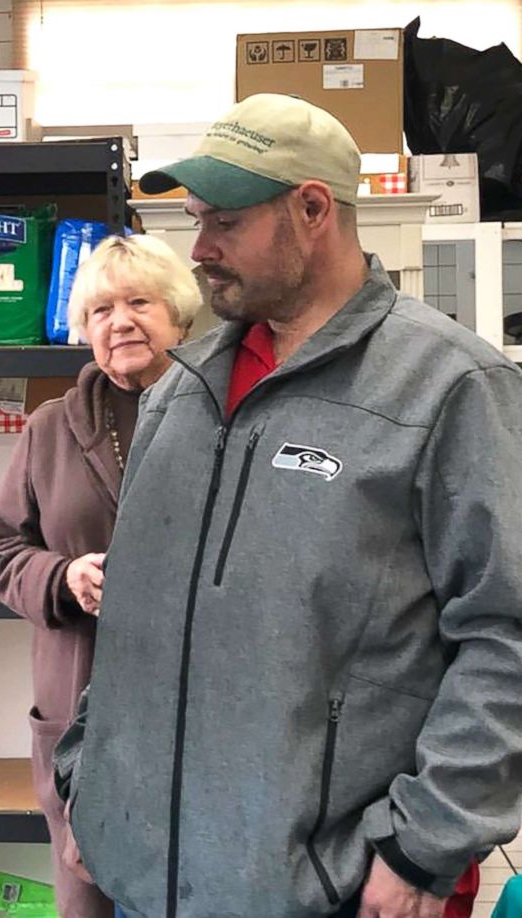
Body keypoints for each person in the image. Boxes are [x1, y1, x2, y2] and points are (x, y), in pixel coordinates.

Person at [53, 93, 522, 918]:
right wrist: (89, 782)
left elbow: (505, 634)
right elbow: (140, 611)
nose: (198, 249)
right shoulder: (184, 389)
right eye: (196, 219)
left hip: (326, 888)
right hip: (143, 877)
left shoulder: (450, 389)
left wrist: (422, 845)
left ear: (311, 210)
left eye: (225, 222)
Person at [0, 234, 201, 917]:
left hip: (201, 708)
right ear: (83, 329)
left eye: (140, 302)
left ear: (181, 316)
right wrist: (64, 577)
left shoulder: (224, 420)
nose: (121, 321)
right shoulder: (49, 429)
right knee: (89, 896)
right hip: (82, 715)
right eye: (101, 309)